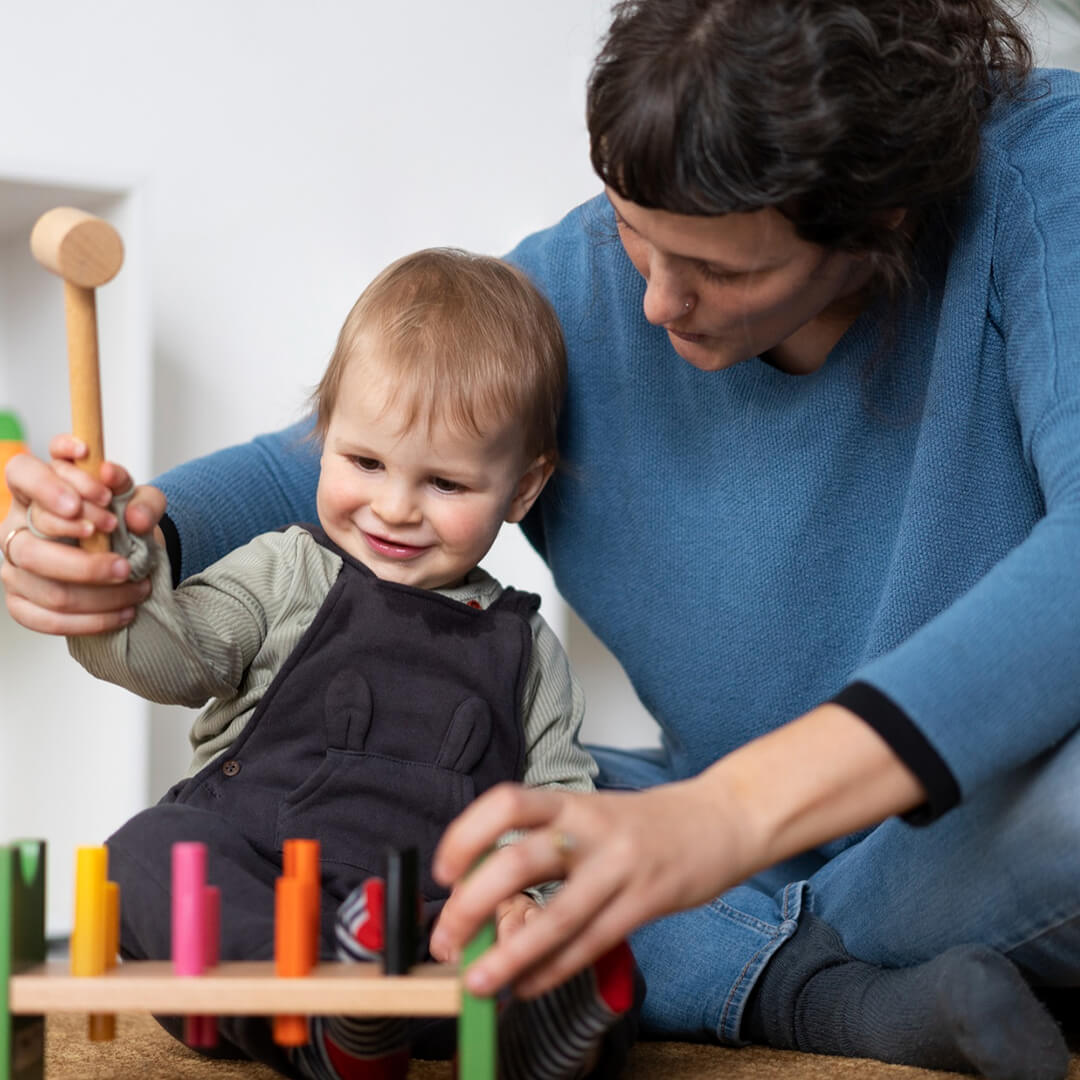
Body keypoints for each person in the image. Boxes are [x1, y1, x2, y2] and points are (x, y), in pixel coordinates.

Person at [4, 0, 1080, 1075]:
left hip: (967, 816)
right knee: (461, 805)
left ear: (885, 217)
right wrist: (119, 537)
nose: (656, 300)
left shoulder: (1044, 172)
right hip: (697, 817)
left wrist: (725, 822)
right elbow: (319, 463)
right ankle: (830, 992)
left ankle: (752, 966)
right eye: (630, 231)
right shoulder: (583, 283)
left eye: (726, 272)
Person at [29, 249, 640, 1080]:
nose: (394, 507)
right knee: (149, 853)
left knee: (593, 949)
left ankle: (507, 1028)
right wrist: (119, 569)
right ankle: (325, 1017)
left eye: (447, 483)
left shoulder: (527, 647)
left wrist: (531, 904)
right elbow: (160, 656)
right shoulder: (284, 571)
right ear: (325, 438)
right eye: (366, 463)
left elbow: (558, 809)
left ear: (522, 491)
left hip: (419, 930)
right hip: (254, 906)